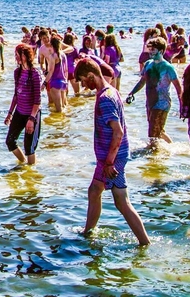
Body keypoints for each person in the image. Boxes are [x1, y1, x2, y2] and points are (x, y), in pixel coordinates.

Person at [74, 58, 150, 246]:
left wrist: (109, 162)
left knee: (121, 201)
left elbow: (118, 132)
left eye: (84, 80)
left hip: (112, 158)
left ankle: (144, 242)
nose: (83, 85)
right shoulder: (111, 91)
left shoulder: (106, 99)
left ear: (92, 76)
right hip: (111, 156)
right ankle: (88, 232)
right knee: (96, 192)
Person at [126, 37, 182, 144]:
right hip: (150, 102)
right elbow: (142, 81)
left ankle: (153, 155)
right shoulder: (148, 64)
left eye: (153, 50)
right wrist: (132, 92)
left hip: (162, 103)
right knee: (158, 131)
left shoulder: (168, 67)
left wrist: (182, 105)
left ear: (160, 51)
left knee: (153, 133)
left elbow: (179, 88)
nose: (150, 52)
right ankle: (172, 149)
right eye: (149, 49)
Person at [4, 44, 43, 165]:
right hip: (19, 112)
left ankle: (30, 175)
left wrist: (31, 119)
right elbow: (16, 95)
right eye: (15, 55)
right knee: (10, 141)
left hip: (32, 115)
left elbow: (37, 100)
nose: (16, 57)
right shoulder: (17, 72)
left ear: (26, 56)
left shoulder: (35, 74)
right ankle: (23, 165)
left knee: (29, 148)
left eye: (18, 54)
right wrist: (10, 113)